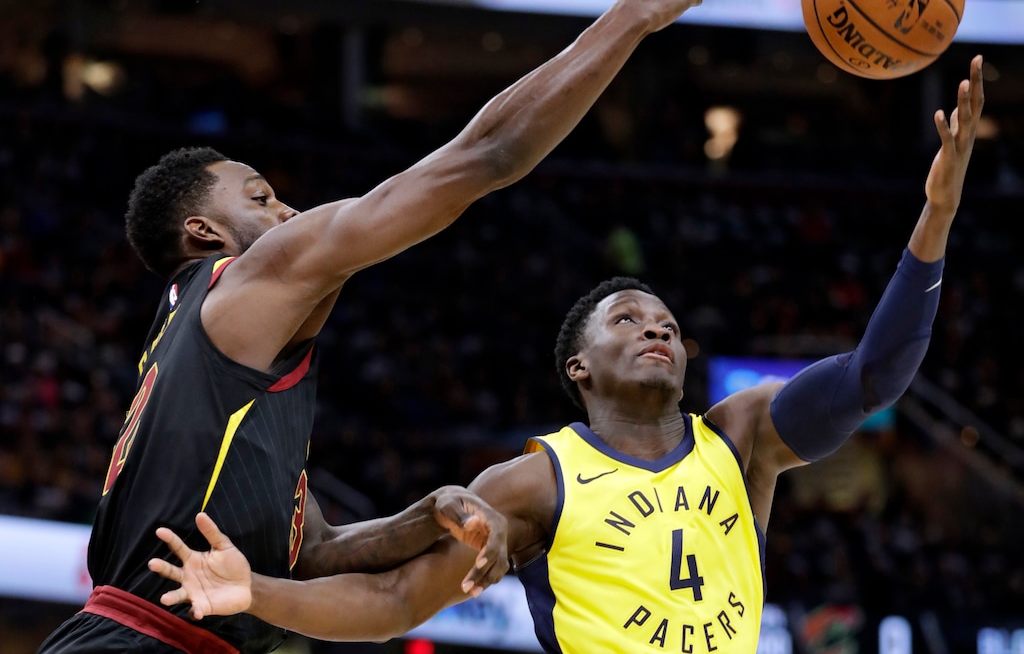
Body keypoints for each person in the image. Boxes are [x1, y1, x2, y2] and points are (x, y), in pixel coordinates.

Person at [35, 0, 723, 654]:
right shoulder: (243, 282)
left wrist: (428, 515)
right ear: (203, 233)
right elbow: (485, 155)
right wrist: (627, 19)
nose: (288, 211)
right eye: (261, 198)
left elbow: (315, 553)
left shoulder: (204, 368)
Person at [147, 54, 986, 653]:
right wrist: (258, 592)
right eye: (626, 318)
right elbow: (397, 599)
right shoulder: (535, 481)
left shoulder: (744, 435)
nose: (656, 328)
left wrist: (937, 215)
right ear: (578, 366)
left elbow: (875, 373)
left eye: (665, 321)